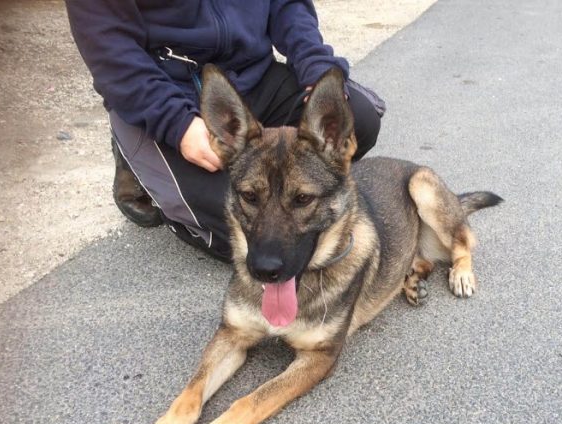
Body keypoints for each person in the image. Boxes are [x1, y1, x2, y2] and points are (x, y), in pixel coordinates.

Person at [65, 0, 384, 261]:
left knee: (359, 119)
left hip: (252, 74)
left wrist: (314, 64)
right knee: (233, 226)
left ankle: (274, 180)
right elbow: (109, 51)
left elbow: (287, 5)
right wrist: (177, 124)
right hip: (164, 94)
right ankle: (138, 164)